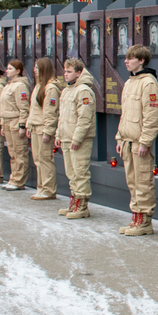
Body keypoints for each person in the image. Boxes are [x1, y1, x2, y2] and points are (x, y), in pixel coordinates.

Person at [115, 44, 158, 234]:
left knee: (143, 181)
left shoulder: (148, 82)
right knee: (132, 182)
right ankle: (136, 217)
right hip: (128, 141)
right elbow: (124, 114)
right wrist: (119, 137)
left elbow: (151, 115)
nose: (126, 61)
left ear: (141, 60)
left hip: (139, 142)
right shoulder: (129, 82)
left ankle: (145, 221)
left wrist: (145, 141)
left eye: (131, 58)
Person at [55, 58, 97, 220]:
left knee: (80, 171)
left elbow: (84, 118)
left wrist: (77, 138)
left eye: (69, 72)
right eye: (64, 71)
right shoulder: (66, 91)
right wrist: (59, 134)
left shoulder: (83, 91)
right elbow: (62, 116)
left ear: (78, 73)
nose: (65, 75)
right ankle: (74, 200)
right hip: (66, 137)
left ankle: (82, 205)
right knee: (71, 172)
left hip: (78, 140)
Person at [26, 58, 65, 199]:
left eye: (37, 67)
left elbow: (50, 112)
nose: (34, 70)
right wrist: (29, 124)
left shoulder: (51, 88)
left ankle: (49, 189)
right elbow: (33, 109)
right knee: (38, 159)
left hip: (43, 128)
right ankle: (41, 187)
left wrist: (48, 131)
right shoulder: (38, 86)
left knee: (45, 159)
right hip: (36, 126)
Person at [0, 60, 31, 190]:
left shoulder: (20, 86)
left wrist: (22, 125)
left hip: (15, 121)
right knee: (12, 152)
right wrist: (2, 124)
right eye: (7, 68)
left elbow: (24, 108)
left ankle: (19, 180)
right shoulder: (8, 85)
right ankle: (13, 178)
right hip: (7, 121)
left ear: (18, 71)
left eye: (10, 69)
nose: (7, 71)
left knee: (19, 152)